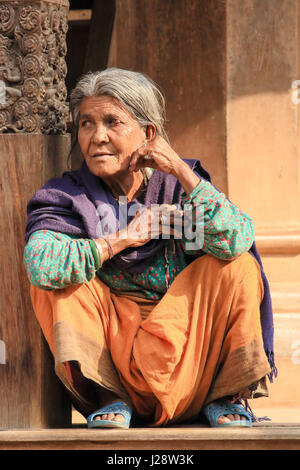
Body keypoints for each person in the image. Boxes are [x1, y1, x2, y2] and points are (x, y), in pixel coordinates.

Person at [24, 68, 276, 429]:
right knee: (57, 281)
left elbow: (237, 238)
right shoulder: (68, 198)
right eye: (86, 123)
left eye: (113, 122)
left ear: (148, 134)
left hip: (189, 357)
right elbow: (40, 265)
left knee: (238, 267)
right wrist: (121, 239)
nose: (98, 136)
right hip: (115, 363)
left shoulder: (176, 193)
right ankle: (109, 395)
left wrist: (180, 170)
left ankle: (226, 394)